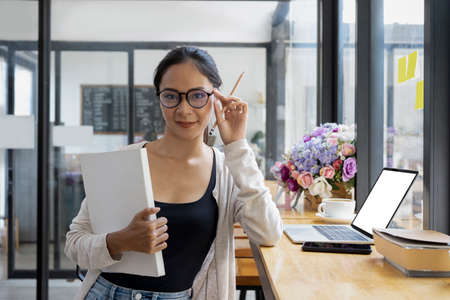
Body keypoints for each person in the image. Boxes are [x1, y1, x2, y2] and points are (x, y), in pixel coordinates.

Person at [65, 46, 283, 300]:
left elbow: (268, 233)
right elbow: (74, 243)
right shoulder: (123, 160)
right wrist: (118, 241)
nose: (184, 109)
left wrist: (237, 145)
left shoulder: (227, 170)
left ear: (216, 98)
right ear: (159, 97)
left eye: (197, 95)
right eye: (171, 96)